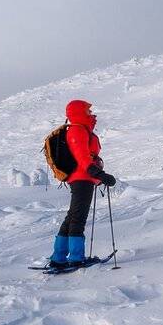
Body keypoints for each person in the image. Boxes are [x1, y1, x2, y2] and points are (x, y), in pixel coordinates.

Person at [49, 99, 116, 268]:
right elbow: (82, 157)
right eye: (88, 111)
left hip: (81, 178)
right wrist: (99, 174)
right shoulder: (77, 130)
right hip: (82, 179)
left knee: (72, 217)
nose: (91, 114)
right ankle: (76, 258)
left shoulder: (80, 129)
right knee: (78, 218)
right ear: (79, 113)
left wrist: (97, 175)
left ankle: (58, 258)